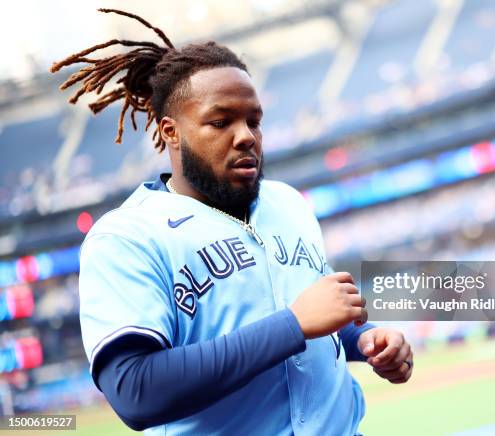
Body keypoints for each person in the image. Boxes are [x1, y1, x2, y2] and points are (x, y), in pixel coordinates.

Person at [51, 9, 413, 435]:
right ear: (171, 132)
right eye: (221, 122)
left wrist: (365, 340)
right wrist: (293, 325)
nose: (246, 136)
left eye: (254, 121)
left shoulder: (288, 203)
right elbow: (135, 391)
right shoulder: (125, 237)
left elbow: (318, 321)